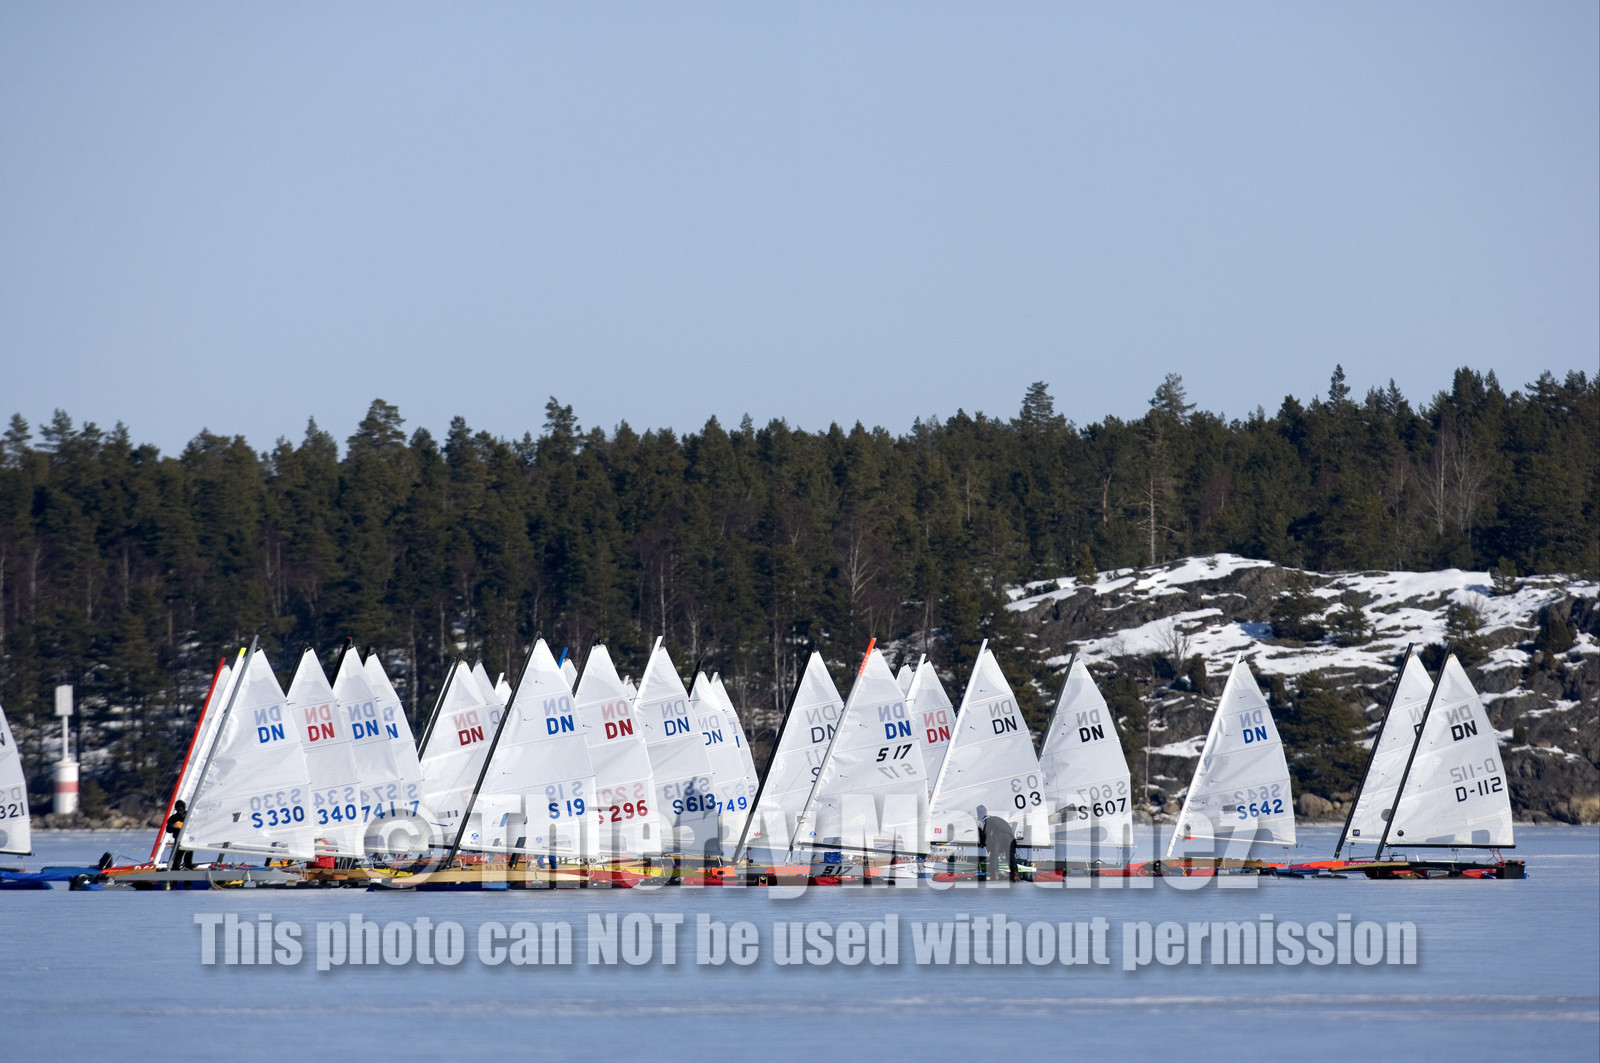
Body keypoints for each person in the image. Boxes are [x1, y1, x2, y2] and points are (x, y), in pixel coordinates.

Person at [165, 800, 195, 870]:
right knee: (178, 857)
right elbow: (168, 830)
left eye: (181, 809)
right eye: (178, 809)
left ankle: (188, 871)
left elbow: (195, 825)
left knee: (188, 857)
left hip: (189, 840)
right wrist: (173, 826)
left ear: (184, 808)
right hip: (178, 840)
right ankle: (175, 871)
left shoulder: (190, 816)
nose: (180, 811)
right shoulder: (173, 818)